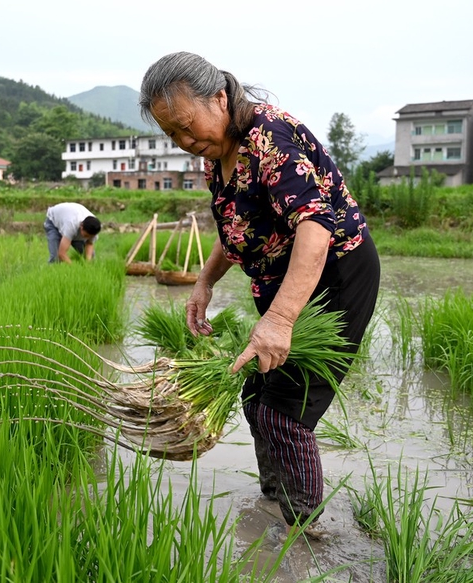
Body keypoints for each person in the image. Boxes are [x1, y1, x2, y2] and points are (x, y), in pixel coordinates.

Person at [139, 52, 381, 535]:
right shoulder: (217, 159)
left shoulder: (269, 137)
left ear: (221, 98)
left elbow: (314, 224)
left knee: (285, 409)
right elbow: (237, 231)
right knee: (255, 397)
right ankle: (276, 496)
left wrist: (280, 319)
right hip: (283, 284)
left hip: (333, 279)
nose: (186, 142)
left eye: (189, 126)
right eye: (173, 135)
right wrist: (203, 284)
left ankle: (306, 531)